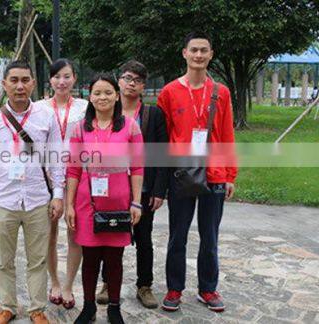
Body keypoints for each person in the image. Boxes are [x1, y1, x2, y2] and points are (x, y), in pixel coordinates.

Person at [0, 61, 64, 324]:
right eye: (13, 80)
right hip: (3, 199)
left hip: (38, 199)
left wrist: (58, 194)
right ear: (4, 84)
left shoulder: (46, 116)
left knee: (37, 259)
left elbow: (56, 158)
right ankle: (7, 306)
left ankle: (37, 308)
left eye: (25, 80)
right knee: (5, 260)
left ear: (34, 83)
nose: (19, 86)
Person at [157, 32, 237, 313]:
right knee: (177, 234)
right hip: (182, 173)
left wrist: (230, 175)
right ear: (185, 53)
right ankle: (174, 288)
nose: (199, 55)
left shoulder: (221, 92)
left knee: (210, 236)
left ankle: (208, 288)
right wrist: (162, 181)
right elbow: (163, 138)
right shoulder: (168, 92)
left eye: (204, 50)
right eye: (194, 50)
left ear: (211, 54)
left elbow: (227, 134)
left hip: (214, 173)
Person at [66, 74, 143, 324]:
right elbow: (73, 169)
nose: (102, 97)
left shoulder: (129, 126)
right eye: (97, 93)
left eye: (108, 92)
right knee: (89, 260)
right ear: (90, 96)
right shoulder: (80, 128)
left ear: (117, 95)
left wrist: (136, 202)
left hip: (119, 203)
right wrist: (69, 204)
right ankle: (88, 307)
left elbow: (138, 167)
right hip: (87, 204)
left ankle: (114, 307)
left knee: (114, 261)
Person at [94, 60, 168, 309]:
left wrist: (159, 190)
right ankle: (107, 283)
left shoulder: (152, 114)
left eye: (137, 79)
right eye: (126, 78)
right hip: (111, 188)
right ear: (118, 82)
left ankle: (144, 285)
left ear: (143, 85)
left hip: (143, 189)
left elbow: (161, 155)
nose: (131, 83)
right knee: (109, 235)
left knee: (143, 238)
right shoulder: (104, 112)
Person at [34, 58, 89, 310]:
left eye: (67, 76)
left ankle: (68, 285)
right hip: (46, 178)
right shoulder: (38, 108)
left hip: (78, 177)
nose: (62, 81)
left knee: (74, 232)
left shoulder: (85, 107)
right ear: (50, 80)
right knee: (49, 233)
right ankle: (54, 282)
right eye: (57, 77)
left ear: (74, 78)